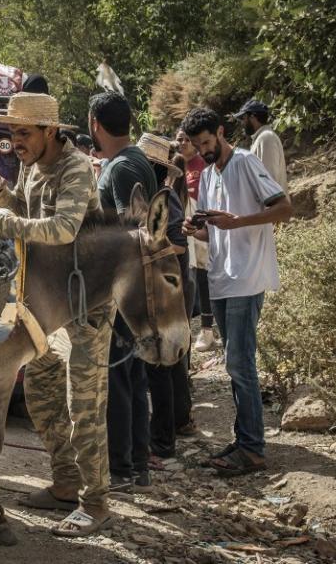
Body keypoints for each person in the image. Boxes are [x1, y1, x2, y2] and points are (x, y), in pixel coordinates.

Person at [0, 92, 113, 538]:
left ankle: (97, 503)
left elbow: (64, 229)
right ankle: (66, 483)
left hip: (87, 303)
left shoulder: (77, 167)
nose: (15, 142)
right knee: (42, 396)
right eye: (11, 133)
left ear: (51, 131)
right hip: (46, 305)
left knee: (84, 405)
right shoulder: (30, 165)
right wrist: (4, 199)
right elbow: (29, 217)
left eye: (23, 133)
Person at [181, 107, 292, 477]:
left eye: (207, 142)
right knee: (234, 363)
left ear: (222, 132)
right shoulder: (209, 173)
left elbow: (283, 207)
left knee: (240, 363)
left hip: (247, 278)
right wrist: (195, 229)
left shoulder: (245, 161)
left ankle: (253, 449)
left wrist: (237, 221)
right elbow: (215, 231)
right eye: (197, 146)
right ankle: (244, 439)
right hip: (221, 278)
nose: (203, 150)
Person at [88, 92, 157, 495]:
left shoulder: (120, 168)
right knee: (131, 378)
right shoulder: (134, 160)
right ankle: (136, 466)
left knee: (117, 379)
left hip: (120, 289)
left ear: (96, 122)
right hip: (132, 286)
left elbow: (134, 231)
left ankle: (123, 468)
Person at [135, 134, 194, 463]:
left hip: (167, 293)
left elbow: (179, 245)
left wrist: (142, 253)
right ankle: (171, 430)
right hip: (160, 291)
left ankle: (163, 444)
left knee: (162, 367)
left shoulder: (164, 196)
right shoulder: (154, 195)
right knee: (166, 367)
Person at [175, 129, 217, 355]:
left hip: (202, 228)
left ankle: (208, 329)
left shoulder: (203, 166)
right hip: (187, 228)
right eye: (178, 139)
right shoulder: (178, 164)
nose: (181, 143)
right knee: (194, 278)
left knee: (204, 278)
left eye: (185, 139)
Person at [233, 99, 287, 193]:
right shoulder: (260, 138)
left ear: (253, 117)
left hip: (273, 205)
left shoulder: (266, 138)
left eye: (243, 118)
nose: (242, 123)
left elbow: (269, 180)